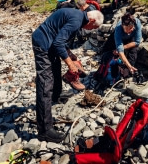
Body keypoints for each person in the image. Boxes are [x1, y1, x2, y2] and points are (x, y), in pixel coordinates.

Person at [32, 8, 104, 142]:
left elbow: (61, 41)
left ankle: (57, 95)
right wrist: (70, 64)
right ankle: (44, 130)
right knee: (45, 84)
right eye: (93, 27)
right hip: (43, 43)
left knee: (55, 69)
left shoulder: (77, 16)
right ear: (92, 20)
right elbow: (58, 43)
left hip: (49, 42)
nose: (90, 30)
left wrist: (72, 57)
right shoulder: (77, 21)